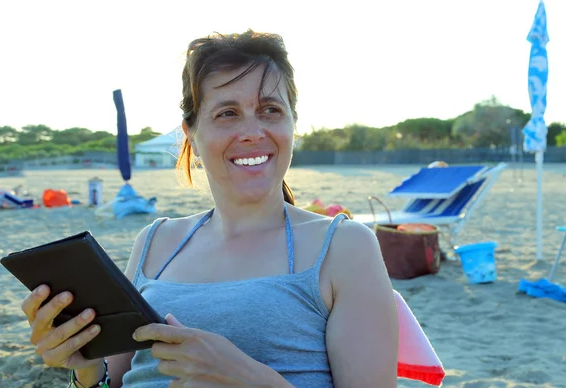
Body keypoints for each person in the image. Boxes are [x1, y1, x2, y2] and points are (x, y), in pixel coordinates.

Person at [20, 29, 399, 387]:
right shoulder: (155, 242)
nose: (252, 131)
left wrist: (250, 379)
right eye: (227, 113)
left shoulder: (343, 246)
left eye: (270, 110)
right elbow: (110, 380)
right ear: (192, 135)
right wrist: (84, 368)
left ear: (293, 125)